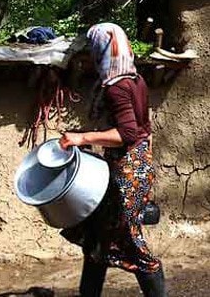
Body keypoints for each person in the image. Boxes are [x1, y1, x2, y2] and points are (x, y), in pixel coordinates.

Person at [59, 22, 165, 297]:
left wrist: (82, 139)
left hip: (126, 171)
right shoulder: (135, 79)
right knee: (97, 236)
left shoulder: (116, 86)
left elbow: (127, 133)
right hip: (135, 166)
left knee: (130, 242)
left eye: (94, 49)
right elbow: (145, 130)